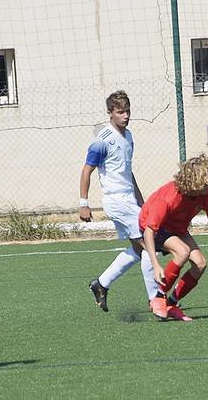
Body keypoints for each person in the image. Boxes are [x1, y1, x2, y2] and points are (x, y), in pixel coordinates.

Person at [140, 154, 208, 321]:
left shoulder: (206, 195)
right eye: (204, 180)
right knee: (182, 251)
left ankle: (171, 304)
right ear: (192, 181)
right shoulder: (168, 198)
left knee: (200, 264)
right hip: (152, 227)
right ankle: (158, 298)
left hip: (177, 228)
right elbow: (149, 231)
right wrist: (156, 264)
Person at [80, 90, 159, 312]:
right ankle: (155, 300)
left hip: (128, 199)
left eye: (128, 111)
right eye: (120, 112)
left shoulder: (129, 136)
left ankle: (101, 284)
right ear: (110, 113)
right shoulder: (102, 140)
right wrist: (83, 203)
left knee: (140, 249)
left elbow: (127, 171)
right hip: (116, 200)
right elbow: (86, 171)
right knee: (150, 247)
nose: (126, 116)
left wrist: (141, 201)